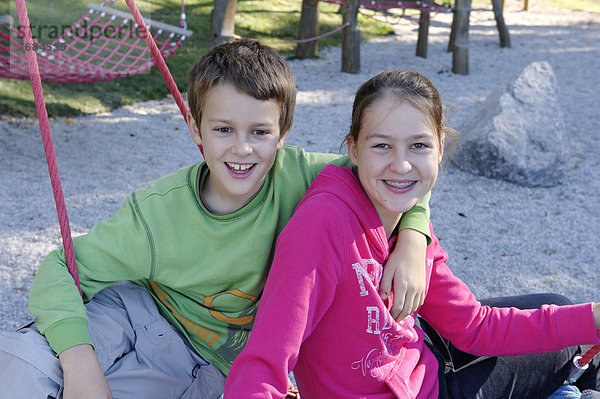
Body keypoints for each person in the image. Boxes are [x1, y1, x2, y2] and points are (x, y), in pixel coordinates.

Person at [0, 40, 432, 399]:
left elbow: (392, 174)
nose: (242, 150)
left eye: (259, 132)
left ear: (283, 132)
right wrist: (80, 365)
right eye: (223, 130)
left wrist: (413, 237)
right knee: (20, 363)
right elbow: (60, 268)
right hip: (142, 317)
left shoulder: (306, 177)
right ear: (195, 129)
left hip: (217, 369)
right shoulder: (158, 213)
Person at [223, 69, 600, 398]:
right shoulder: (323, 225)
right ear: (353, 150)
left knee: (562, 304)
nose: (401, 164)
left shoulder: (405, 217)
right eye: (382, 145)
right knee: (573, 344)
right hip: (426, 387)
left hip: (420, 357)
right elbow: (265, 360)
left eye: (418, 145)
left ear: (440, 148)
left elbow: (472, 327)